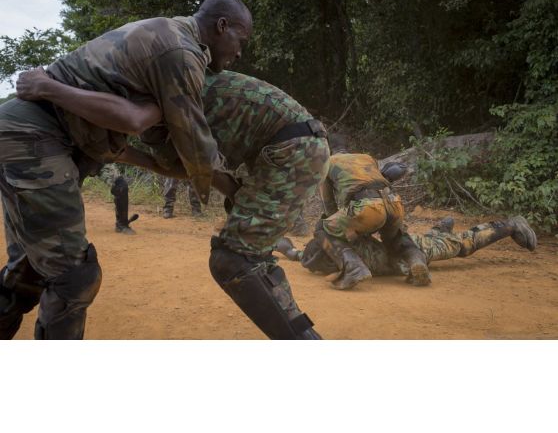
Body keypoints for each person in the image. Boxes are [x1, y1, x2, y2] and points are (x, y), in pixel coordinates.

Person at [0, 0, 252, 340]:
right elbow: (194, 147)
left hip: (27, 132)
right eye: (241, 38)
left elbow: (138, 128)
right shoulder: (180, 53)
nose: (241, 51)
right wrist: (239, 194)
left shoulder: (173, 40)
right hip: (35, 134)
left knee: (30, 269)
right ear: (222, 25)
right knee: (74, 277)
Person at [19, 70, 329, 339]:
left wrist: (120, 152)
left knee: (234, 259)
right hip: (287, 148)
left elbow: (185, 164)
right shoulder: (169, 89)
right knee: (243, 247)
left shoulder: (165, 95)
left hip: (291, 150)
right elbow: (202, 168)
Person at [277, 215, 537, 286]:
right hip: (404, 251)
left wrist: (284, 248)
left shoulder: (314, 261)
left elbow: (297, 253)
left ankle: (509, 225)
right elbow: (298, 251)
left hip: (402, 253)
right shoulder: (337, 247)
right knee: (455, 244)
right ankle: (440, 230)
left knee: (458, 245)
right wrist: (284, 247)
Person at [315, 134, 408, 289]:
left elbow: (329, 204)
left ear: (327, 150)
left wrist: (342, 229)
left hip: (367, 208)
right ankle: (413, 261)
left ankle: (353, 268)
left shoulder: (328, 163)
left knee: (322, 229)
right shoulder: (367, 158)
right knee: (393, 237)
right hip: (395, 204)